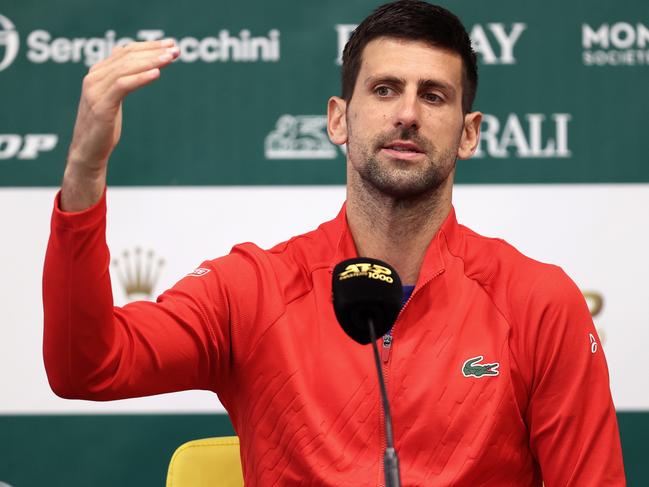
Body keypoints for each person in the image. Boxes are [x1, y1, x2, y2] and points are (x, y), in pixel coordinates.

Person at [42, 1, 626, 485]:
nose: (406, 114)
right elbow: (86, 367)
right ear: (339, 120)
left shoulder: (537, 301)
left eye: (434, 96)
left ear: (468, 133)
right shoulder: (252, 290)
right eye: (385, 89)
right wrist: (85, 170)